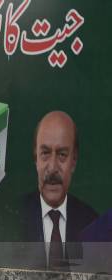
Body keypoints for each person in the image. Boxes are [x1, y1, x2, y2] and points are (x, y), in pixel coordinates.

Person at [23, 111, 97, 268]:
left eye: (62, 154)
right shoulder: (13, 217)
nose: (52, 167)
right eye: (45, 153)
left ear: (74, 161)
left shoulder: (91, 223)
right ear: (35, 158)